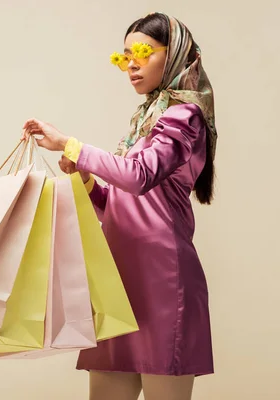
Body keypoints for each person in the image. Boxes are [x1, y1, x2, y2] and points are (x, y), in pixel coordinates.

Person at [23, 12, 217, 400]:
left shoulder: (185, 115)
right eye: (123, 56)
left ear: (176, 53)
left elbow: (139, 176)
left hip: (163, 282)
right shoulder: (146, 118)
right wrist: (84, 178)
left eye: (142, 52)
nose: (131, 64)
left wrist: (70, 144)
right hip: (118, 285)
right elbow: (119, 203)